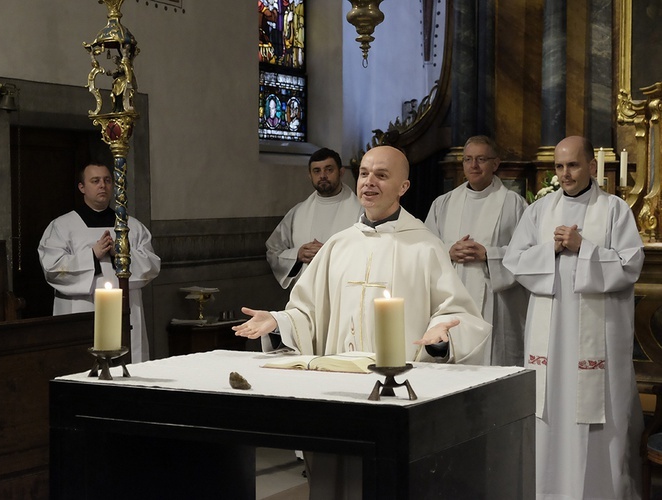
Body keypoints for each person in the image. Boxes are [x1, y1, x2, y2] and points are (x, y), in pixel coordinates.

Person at [236, 145, 491, 499]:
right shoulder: (338, 246)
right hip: (337, 392)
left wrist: (440, 338)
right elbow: (306, 313)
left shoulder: (424, 247)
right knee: (332, 483)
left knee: (385, 482)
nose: (369, 182)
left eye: (382, 175)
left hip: (394, 395)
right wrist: (278, 322)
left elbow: (459, 314)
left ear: (403, 187)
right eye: (366, 173)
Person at [503, 136, 644, 499]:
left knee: (601, 419)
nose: (566, 173)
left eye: (574, 165)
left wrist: (585, 248)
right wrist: (549, 248)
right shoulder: (539, 211)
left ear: (592, 167)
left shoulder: (614, 210)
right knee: (548, 413)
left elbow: (630, 266)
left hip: (598, 341)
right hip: (549, 340)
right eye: (560, 167)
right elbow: (515, 262)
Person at [38, 163, 161, 363]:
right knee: (82, 366)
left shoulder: (132, 227)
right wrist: (92, 255)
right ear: (82, 187)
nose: (102, 185)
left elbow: (152, 265)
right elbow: (52, 267)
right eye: (95, 181)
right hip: (81, 308)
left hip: (125, 309)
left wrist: (119, 254)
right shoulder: (62, 227)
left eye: (107, 180)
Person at [425, 135, 528, 366]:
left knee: (495, 361)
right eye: (468, 159)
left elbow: (527, 253)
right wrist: (448, 252)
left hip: (497, 301)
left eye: (481, 159)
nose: (473, 166)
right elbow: (425, 247)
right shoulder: (443, 203)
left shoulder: (514, 204)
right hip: (454, 296)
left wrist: (488, 255)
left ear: (495, 164)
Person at [266, 147, 362, 289]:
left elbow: (371, 254)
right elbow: (273, 251)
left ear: (341, 172)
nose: (322, 175)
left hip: (344, 292)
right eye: (317, 171)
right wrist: (297, 254)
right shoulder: (298, 212)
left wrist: (330, 254)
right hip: (307, 295)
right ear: (310, 175)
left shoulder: (361, 211)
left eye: (329, 169)